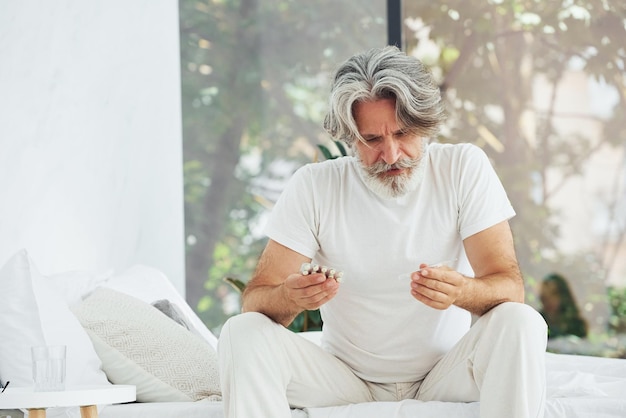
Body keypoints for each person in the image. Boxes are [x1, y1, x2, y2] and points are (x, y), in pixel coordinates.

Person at [218, 46, 547, 418]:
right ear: (350, 138)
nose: (391, 155)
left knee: (522, 321)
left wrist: (464, 290)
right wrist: (291, 298)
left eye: (403, 133)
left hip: (447, 373)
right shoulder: (315, 185)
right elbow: (256, 300)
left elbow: (509, 288)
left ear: (424, 126)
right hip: (345, 380)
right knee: (241, 332)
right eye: (372, 140)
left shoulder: (462, 167)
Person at [539, 272, 588, 339]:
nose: (549, 301)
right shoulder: (538, 322)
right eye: (545, 298)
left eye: (554, 294)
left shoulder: (576, 324)